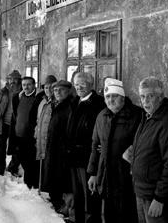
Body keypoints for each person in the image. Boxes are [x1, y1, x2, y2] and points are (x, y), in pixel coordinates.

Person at [129, 76, 168, 223]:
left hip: (156, 196)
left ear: (160, 97)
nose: (145, 101)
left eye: (150, 96)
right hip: (142, 191)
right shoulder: (148, 116)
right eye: (142, 96)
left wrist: (159, 198)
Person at [87, 78, 143, 223]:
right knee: (109, 213)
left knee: (128, 214)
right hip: (106, 174)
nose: (110, 100)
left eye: (114, 96)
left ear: (122, 97)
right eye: (108, 97)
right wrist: (93, 173)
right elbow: (95, 145)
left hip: (127, 175)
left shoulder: (137, 115)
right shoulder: (102, 116)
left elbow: (143, 144)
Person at [66, 72, 105, 223]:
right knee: (78, 195)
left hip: (88, 158)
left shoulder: (98, 104)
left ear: (91, 85)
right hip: (73, 157)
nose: (79, 87)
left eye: (82, 84)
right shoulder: (75, 102)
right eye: (76, 84)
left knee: (91, 196)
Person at [40, 79, 74, 215]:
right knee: (53, 175)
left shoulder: (70, 106)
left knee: (62, 179)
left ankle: (63, 207)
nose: (57, 92)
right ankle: (56, 203)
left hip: (63, 150)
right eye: (55, 90)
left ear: (68, 91)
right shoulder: (56, 104)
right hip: (53, 147)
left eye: (61, 90)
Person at [0, 70, 22, 176]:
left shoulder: (22, 93)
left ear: (19, 80)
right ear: (8, 80)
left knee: (17, 147)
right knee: (0, 146)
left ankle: (13, 168)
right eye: (10, 79)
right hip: (3, 124)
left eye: (15, 79)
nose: (12, 81)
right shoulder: (1, 93)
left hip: (17, 125)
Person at [12, 76, 44, 189]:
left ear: (34, 85)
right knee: (21, 157)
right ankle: (29, 180)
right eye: (24, 84)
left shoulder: (38, 98)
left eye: (29, 84)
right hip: (18, 134)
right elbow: (15, 115)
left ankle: (31, 183)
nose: (26, 87)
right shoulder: (18, 97)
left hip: (31, 135)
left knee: (31, 160)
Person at [35, 75, 57, 189]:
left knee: (51, 167)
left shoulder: (56, 103)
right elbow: (39, 120)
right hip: (40, 137)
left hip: (50, 139)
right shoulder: (43, 101)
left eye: (51, 88)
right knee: (43, 164)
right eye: (46, 87)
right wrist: (36, 133)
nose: (48, 90)